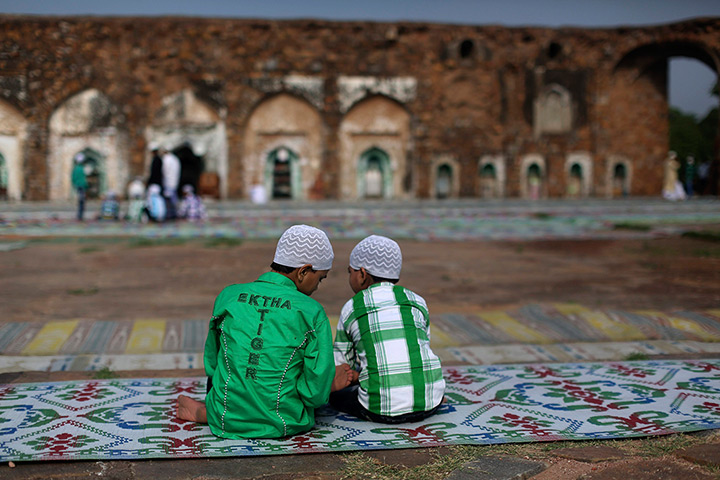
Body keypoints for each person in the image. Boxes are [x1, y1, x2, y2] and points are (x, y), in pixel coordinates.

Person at [176, 225, 354, 439]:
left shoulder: (229, 295)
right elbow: (314, 395)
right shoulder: (311, 311)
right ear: (304, 271)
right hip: (284, 423)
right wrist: (329, 384)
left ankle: (217, 412)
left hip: (225, 416)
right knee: (316, 381)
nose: (318, 286)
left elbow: (212, 365)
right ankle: (251, 414)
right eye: (321, 278)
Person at [331, 235, 445, 424]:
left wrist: (355, 376)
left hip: (380, 409)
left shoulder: (352, 307)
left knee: (336, 395)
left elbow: (343, 368)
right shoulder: (416, 300)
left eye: (349, 271)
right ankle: (430, 395)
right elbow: (421, 346)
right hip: (431, 402)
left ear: (361, 274)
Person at [161, 145, 181, 219]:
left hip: (167, 182)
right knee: (174, 199)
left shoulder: (166, 159)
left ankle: (170, 214)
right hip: (174, 181)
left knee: (168, 200)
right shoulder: (175, 159)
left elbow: (164, 171)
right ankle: (175, 213)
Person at [71, 153, 88, 221]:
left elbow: (73, 178)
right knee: (82, 202)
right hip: (82, 187)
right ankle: (80, 216)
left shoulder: (75, 169)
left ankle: (80, 216)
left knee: (80, 201)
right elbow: (84, 179)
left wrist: (75, 185)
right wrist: (86, 186)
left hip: (78, 186)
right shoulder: (82, 169)